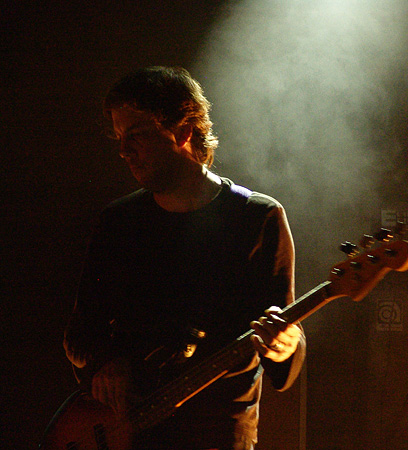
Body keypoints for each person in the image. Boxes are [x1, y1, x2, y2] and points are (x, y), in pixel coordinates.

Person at [63, 66, 306, 450]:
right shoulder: (118, 222)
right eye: (120, 138)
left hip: (219, 434)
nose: (124, 151)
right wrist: (106, 363)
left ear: (183, 131)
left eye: (137, 135)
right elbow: (80, 335)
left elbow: (283, 334)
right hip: (131, 433)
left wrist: (286, 343)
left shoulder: (257, 218)